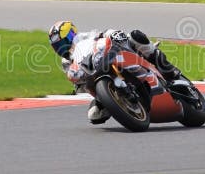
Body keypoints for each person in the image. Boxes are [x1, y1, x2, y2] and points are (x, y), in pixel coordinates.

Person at [48, 20, 182, 124]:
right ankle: (121, 104)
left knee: (135, 36)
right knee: (94, 116)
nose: (62, 47)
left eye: (64, 40)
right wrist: (78, 83)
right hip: (97, 81)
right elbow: (77, 83)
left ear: (72, 33)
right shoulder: (66, 63)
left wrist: (113, 34)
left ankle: (168, 68)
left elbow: (104, 34)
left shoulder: (85, 37)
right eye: (58, 45)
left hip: (109, 56)